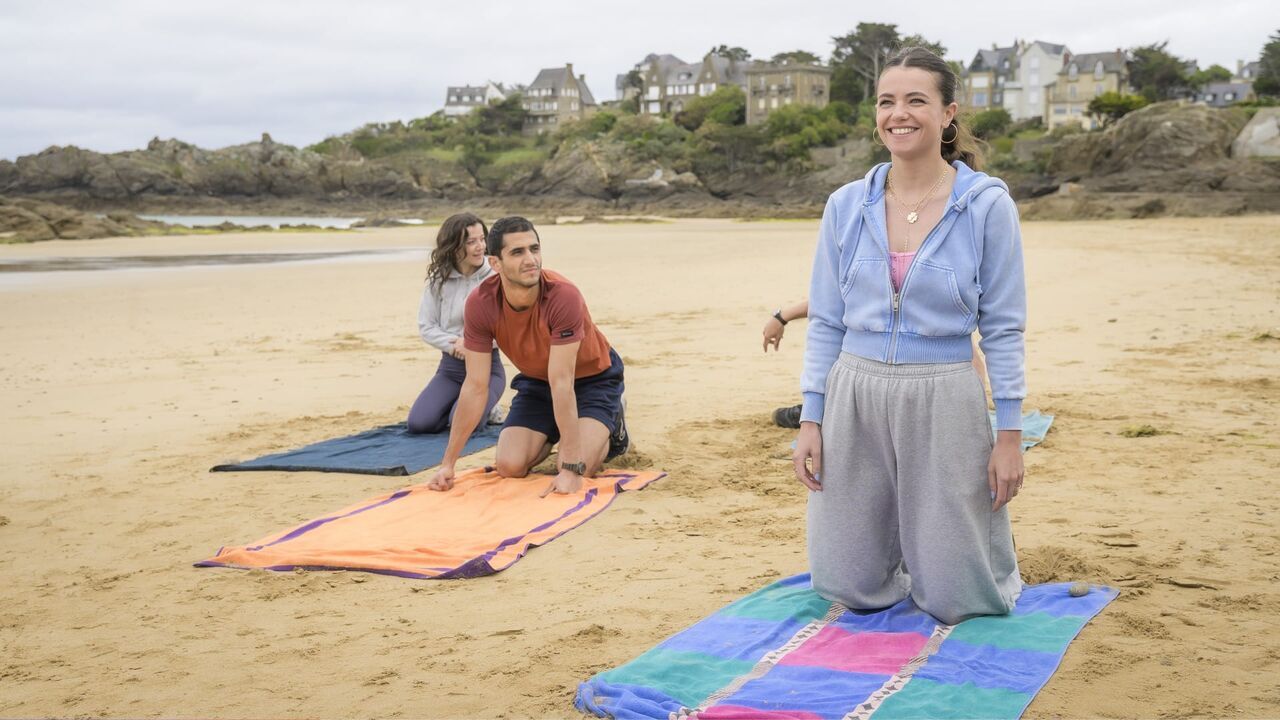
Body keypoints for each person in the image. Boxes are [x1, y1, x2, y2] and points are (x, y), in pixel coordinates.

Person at [793, 46, 1026, 626]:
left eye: (916, 100)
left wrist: (1009, 435)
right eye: (886, 102)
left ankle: (952, 563)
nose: (898, 114)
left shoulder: (987, 205)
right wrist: (811, 417)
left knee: (958, 598)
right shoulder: (845, 205)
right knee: (848, 584)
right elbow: (826, 320)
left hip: (944, 392)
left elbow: (1003, 328)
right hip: (855, 391)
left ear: (948, 114)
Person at [428, 216, 628, 496]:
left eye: (534, 249)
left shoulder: (563, 295)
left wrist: (571, 469)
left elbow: (562, 382)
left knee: (575, 465)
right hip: (538, 382)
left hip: (592, 379)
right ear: (495, 263)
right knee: (509, 465)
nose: (531, 259)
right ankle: (556, 430)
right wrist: (448, 465)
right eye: (517, 252)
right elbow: (475, 386)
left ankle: (612, 421)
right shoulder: (480, 304)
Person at [764, 300, 989, 429]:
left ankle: (818, 412)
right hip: (869, 384)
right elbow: (831, 300)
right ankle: (818, 411)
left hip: (918, 390)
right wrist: (782, 317)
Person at [407, 213, 507, 435]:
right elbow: (426, 326)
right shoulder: (438, 280)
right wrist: (454, 344)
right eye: (471, 242)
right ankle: (463, 404)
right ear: (453, 246)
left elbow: (508, 327)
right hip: (450, 370)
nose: (480, 247)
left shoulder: (497, 278)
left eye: (482, 239)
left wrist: (472, 344)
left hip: (487, 370)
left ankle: (487, 407)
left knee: (461, 425)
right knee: (420, 424)